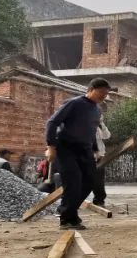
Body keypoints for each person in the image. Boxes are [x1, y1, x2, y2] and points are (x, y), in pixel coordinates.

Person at [44, 78, 111, 229]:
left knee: (90, 181)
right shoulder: (74, 103)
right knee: (73, 182)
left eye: (106, 94)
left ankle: (67, 210)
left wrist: (95, 150)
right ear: (91, 89)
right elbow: (52, 122)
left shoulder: (96, 110)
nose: (103, 96)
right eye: (101, 92)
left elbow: (92, 132)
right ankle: (67, 219)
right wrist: (51, 146)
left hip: (85, 150)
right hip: (66, 148)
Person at [90, 114, 112, 207]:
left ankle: (99, 200)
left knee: (99, 180)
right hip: (88, 156)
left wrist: (101, 124)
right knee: (84, 179)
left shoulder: (99, 126)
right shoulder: (85, 124)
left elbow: (107, 136)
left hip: (100, 157)